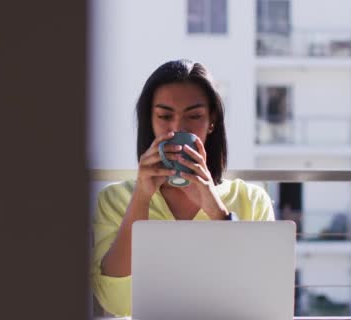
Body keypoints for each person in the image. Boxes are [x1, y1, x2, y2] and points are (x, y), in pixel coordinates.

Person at [90, 59, 275, 317]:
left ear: (212, 122)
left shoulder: (251, 199)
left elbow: (263, 300)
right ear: (150, 122)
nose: (177, 129)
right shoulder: (115, 199)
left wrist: (218, 211)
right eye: (165, 116)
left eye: (195, 116)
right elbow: (116, 302)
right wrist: (141, 198)